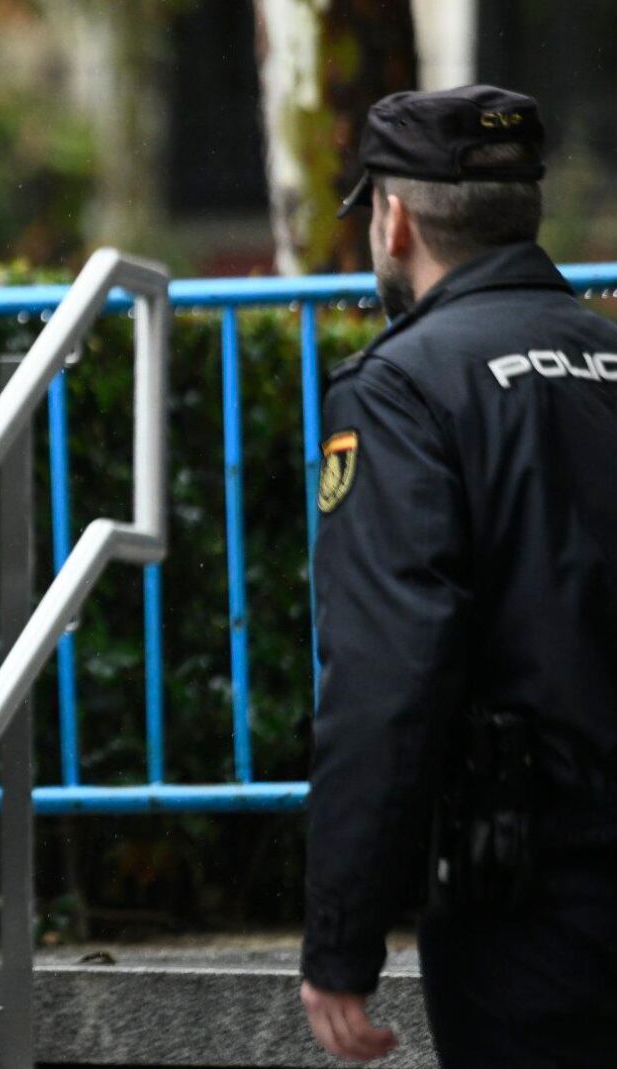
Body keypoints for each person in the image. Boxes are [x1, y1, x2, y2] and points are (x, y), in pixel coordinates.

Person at [302, 85, 617, 1066]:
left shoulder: (400, 388)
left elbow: (386, 675)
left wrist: (341, 939)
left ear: (393, 220)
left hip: (529, 911)